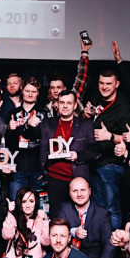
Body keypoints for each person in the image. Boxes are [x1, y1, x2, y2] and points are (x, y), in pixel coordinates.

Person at [83, 69, 130, 230]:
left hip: (110, 165)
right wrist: (86, 115)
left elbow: (129, 138)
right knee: (96, 208)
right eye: (101, 83)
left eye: (108, 84)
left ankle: (113, 243)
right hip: (93, 161)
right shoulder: (95, 97)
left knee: (111, 208)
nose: (104, 87)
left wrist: (110, 136)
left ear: (117, 84)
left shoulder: (125, 106)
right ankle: (100, 240)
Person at [39, 90, 98, 218]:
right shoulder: (47, 123)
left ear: (75, 105)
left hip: (77, 179)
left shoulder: (85, 124)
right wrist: (28, 125)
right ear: (57, 105)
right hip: (54, 179)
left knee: (79, 216)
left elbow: (96, 151)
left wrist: (78, 156)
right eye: (62, 103)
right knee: (57, 216)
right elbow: (30, 135)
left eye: (69, 103)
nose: (65, 106)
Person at [57, 177, 115, 258]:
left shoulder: (102, 214)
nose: (79, 194)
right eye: (75, 191)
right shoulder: (64, 209)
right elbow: (56, 232)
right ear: (70, 193)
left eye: (82, 190)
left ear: (89, 191)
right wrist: (73, 232)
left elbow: (109, 244)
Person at [3, 77, 48, 200]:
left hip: (37, 168)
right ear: (22, 90)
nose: (30, 94)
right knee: (16, 204)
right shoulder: (13, 113)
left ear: (38, 93)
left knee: (38, 205)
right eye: (27, 91)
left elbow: (46, 141)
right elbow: (8, 142)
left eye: (33, 91)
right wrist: (10, 130)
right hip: (17, 168)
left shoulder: (44, 114)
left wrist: (45, 170)